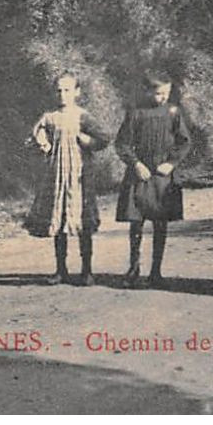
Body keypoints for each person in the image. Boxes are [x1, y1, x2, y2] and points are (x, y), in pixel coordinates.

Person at [24, 72, 113, 286]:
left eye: (67, 90)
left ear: (77, 92)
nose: (63, 95)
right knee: (59, 221)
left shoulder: (83, 116)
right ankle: (61, 270)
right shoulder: (49, 117)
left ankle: (87, 271)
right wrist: (42, 142)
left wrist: (85, 139)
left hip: (79, 176)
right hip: (56, 176)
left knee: (82, 220)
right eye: (59, 90)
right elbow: (34, 136)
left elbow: (104, 138)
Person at [114, 71, 193, 289]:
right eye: (158, 93)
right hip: (140, 174)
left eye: (166, 93)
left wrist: (171, 163)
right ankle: (134, 269)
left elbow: (184, 142)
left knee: (160, 222)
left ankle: (156, 271)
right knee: (136, 221)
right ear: (147, 91)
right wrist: (136, 164)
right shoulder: (136, 113)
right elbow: (122, 144)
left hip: (162, 176)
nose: (163, 98)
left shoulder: (173, 112)